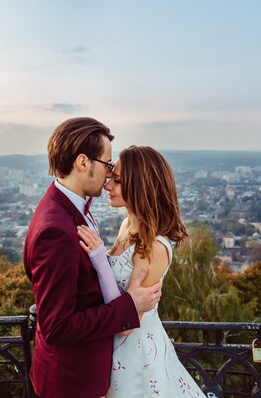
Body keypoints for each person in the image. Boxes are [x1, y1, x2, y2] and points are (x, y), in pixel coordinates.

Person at [23, 118, 163, 398]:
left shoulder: (66, 206)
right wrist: (129, 306)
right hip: (72, 382)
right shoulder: (57, 229)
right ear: (83, 162)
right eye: (107, 164)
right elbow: (57, 327)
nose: (109, 174)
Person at [77, 145, 207, 398]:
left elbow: (126, 323)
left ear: (141, 185)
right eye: (110, 177)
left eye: (118, 181)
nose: (107, 186)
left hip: (136, 354)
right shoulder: (127, 224)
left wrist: (99, 258)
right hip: (112, 348)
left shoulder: (155, 247)